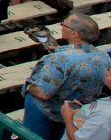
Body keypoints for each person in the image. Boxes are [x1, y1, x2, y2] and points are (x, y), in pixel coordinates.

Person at [23, 11, 111, 140]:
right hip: (75, 112)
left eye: (64, 24)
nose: (61, 26)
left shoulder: (58, 58)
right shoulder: (104, 57)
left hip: (48, 113)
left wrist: (29, 86)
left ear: (74, 33)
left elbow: (43, 93)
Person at [60, 66, 111, 140]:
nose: (105, 73)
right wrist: (84, 110)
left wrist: (67, 118)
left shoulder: (105, 116)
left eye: (109, 74)